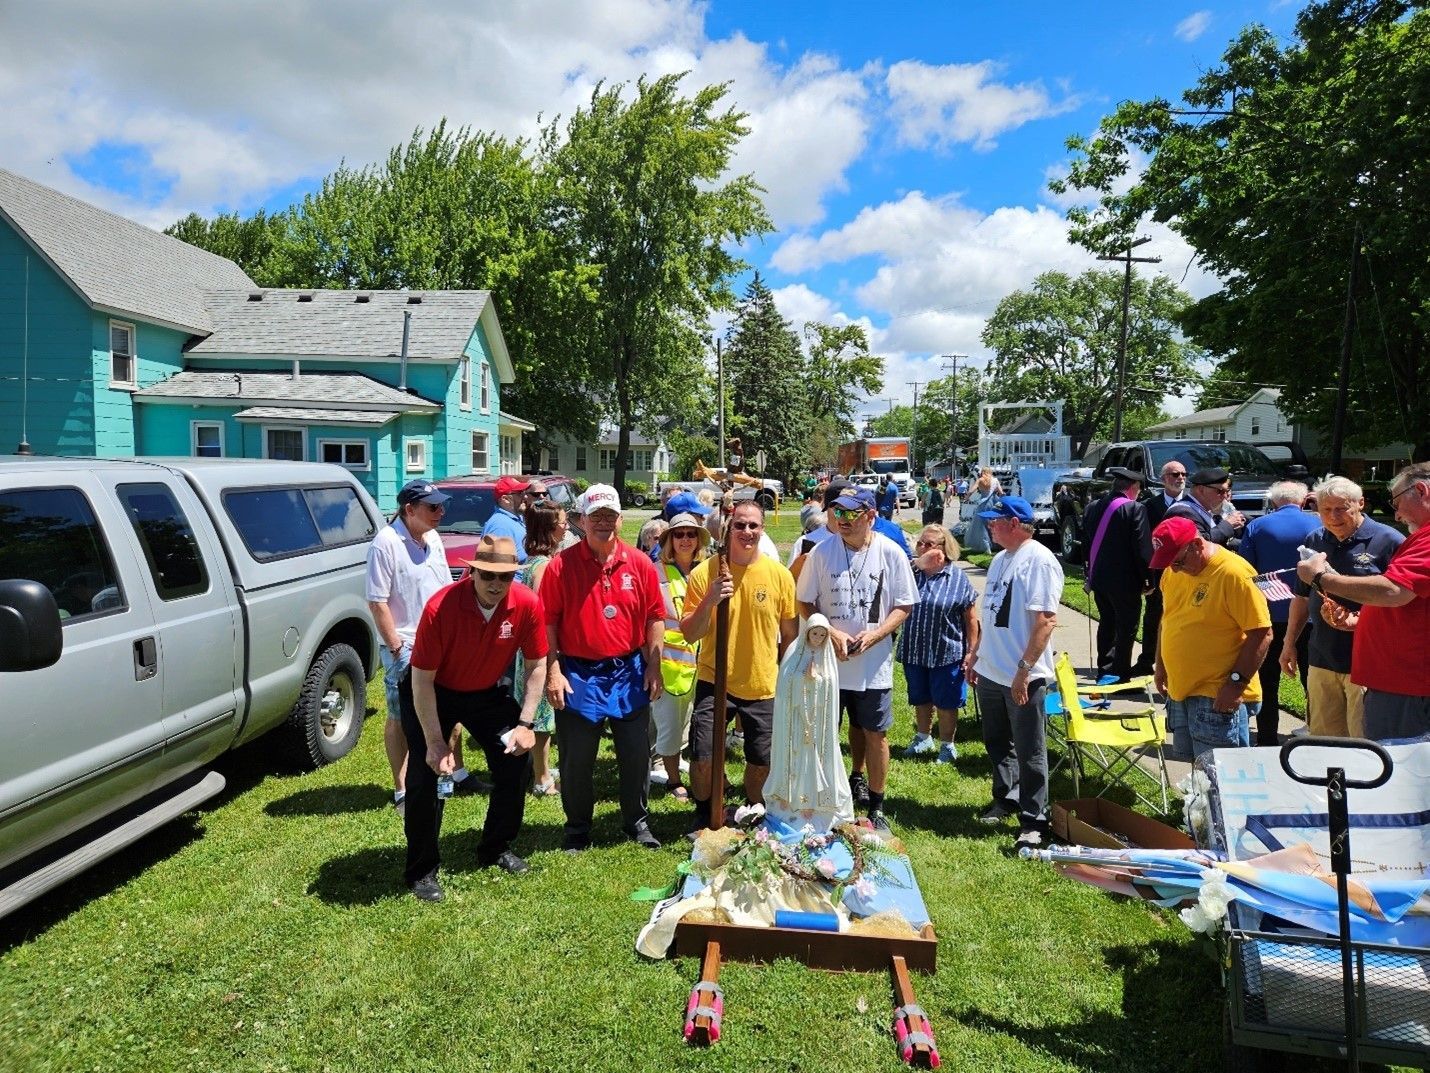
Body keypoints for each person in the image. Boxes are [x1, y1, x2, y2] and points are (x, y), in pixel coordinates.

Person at [401, 535, 547, 901]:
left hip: (484, 692)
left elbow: (536, 666)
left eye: (506, 577)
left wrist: (526, 724)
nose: (496, 585)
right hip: (433, 692)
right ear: (472, 572)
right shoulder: (441, 608)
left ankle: (495, 847)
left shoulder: (527, 604)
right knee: (425, 775)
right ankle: (422, 869)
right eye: (488, 576)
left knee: (515, 760)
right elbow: (421, 681)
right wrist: (435, 743)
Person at [540, 484, 666, 851]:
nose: (603, 523)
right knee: (577, 758)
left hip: (628, 669)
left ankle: (637, 823)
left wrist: (654, 666)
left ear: (620, 520)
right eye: (595, 516)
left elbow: (655, 618)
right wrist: (554, 670)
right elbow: (547, 622)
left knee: (636, 753)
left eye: (610, 516)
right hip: (578, 671)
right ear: (581, 521)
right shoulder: (561, 567)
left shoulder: (640, 563)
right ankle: (577, 828)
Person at [795, 486, 919, 832]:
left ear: (871, 516)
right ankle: (822, 798)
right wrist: (831, 632)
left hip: (872, 665)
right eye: (838, 512)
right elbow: (804, 601)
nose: (842, 519)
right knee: (822, 733)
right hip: (828, 663)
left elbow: (904, 604)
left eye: (851, 513)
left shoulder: (890, 553)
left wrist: (876, 634)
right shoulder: (821, 553)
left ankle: (876, 804)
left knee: (875, 733)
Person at [366, 478, 480, 818]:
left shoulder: (432, 538)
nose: (441, 511)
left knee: (450, 708)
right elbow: (377, 602)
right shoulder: (385, 543)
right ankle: (401, 787)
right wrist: (398, 649)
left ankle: (455, 773)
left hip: (441, 640)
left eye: (442, 505)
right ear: (409, 509)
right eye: (433, 507)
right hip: (405, 643)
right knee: (400, 716)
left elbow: (443, 588)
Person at [681, 501, 797, 828]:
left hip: (762, 684)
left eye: (753, 526)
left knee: (761, 762)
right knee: (703, 759)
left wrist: (781, 673)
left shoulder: (779, 576)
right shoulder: (706, 573)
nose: (747, 532)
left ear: (762, 529)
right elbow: (690, 632)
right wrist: (711, 599)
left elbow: (789, 633)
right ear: (728, 528)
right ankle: (704, 812)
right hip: (714, 679)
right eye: (740, 525)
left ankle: (753, 808)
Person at [1296, 463, 1430, 740]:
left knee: (1392, 769)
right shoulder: (1419, 539)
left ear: (1421, 490)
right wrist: (1361, 621)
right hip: (1393, 680)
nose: (1396, 513)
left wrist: (1320, 578)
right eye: (1325, 509)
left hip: (1406, 683)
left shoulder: (1412, 539)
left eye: (1396, 501)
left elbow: (1394, 590)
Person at [966, 496, 1062, 852]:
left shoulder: (1039, 561)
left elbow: (1046, 620)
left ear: (1014, 523)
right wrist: (976, 655)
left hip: (1023, 674)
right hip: (992, 670)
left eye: (995, 521)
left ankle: (1034, 818)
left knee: (1030, 750)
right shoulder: (1000, 560)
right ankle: (1006, 797)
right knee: (996, 742)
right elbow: (990, 615)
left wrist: (1024, 670)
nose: (990, 526)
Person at [1281, 476, 1403, 738]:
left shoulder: (1389, 541)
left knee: (1365, 745)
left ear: (1360, 504)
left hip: (1367, 665)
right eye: (1325, 509)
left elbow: (1401, 602)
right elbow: (1301, 598)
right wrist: (1289, 644)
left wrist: (1360, 618)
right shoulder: (1314, 539)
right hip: (1321, 659)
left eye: (1341, 508)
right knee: (1324, 742)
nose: (1333, 516)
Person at [1152, 517, 1271, 760]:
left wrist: (1235, 685)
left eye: (1178, 561)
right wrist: (1161, 666)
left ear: (1196, 544)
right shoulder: (1174, 571)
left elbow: (1261, 633)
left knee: (1225, 778)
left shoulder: (1234, 573)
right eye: (1169, 563)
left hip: (1218, 694)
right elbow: (1167, 620)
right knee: (1197, 773)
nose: (1174, 568)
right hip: (1181, 689)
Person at [1237, 480, 1318, 745]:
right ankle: (1317, 731)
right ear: (1304, 500)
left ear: (1273, 502)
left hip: (1269, 613)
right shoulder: (1318, 525)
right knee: (1313, 678)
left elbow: (1247, 570)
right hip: (1311, 614)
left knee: (1268, 678)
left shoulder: (1257, 526)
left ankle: (1268, 736)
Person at [899, 524, 979, 763]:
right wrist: (919, 565)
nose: (922, 548)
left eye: (929, 544)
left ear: (944, 548)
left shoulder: (957, 577)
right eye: (920, 543)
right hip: (916, 648)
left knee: (946, 701)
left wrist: (971, 651)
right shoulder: (911, 572)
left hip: (947, 650)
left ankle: (947, 745)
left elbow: (971, 618)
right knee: (920, 697)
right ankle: (923, 737)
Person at [765, 613, 854, 831]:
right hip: (796, 723)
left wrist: (818, 680)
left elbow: (830, 688)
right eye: (814, 633)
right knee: (795, 759)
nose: (817, 638)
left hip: (817, 725)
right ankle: (788, 806)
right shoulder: (795, 653)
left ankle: (817, 810)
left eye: (822, 635)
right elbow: (785, 683)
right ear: (807, 633)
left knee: (817, 759)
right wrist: (802, 678)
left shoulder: (827, 657)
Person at [650, 512, 709, 801]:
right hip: (668, 665)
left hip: (704, 665)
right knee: (670, 728)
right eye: (679, 534)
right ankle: (673, 780)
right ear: (669, 540)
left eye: (691, 534)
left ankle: (692, 768)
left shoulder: (708, 570)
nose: (685, 539)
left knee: (694, 724)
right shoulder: (655, 573)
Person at [513, 500, 569, 797]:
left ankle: (532, 770)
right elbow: (542, 615)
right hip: (540, 650)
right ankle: (542, 777)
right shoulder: (545, 566)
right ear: (550, 528)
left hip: (527, 649)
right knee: (542, 716)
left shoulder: (531, 559)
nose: (566, 525)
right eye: (562, 521)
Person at [1080, 467, 1152, 683]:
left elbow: (1086, 543)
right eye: (1138, 489)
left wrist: (1088, 572)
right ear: (1133, 488)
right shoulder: (1134, 508)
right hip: (1126, 582)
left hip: (1099, 578)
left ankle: (1105, 669)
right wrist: (1148, 579)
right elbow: (1142, 550)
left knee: (1107, 623)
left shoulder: (1093, 507)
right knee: (1127, 627)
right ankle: (1120, 675)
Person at [1136, 460, 1187, 676]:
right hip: (1158, 573)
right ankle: (1146, 661)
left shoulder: (1192, 504)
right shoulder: (1149, 506)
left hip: (1186, 571)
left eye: (1184, 474)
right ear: (1164, 478)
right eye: (1175, 474)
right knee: (1154, 616)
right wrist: (1147, 577)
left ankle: (1178, 662)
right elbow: (1144, 543)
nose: (1180, 478)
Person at [1167, 467, 1245, 545]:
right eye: (1220, 491)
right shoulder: (1182, 512)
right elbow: (1199, 544)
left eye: (1226, 491)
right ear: (1201, 490)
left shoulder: (1199, 510)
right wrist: (1228, 524)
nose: (1225, 496)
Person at [482, 475, 531, 563]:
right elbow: (499, 567)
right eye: (520, 493)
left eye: (525, 492)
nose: (525, 497)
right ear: (505, 499)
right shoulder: (500, 526)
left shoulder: (516, 518)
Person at [962, 468, 1002, 554]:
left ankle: (986, 547)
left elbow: (972, 490)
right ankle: (996, 544)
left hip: (984, 503)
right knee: (993, 523)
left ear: (982, 472)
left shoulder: (980, 480)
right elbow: (1001, 492)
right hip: (994, 503)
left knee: (982, 525)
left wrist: (966, 498)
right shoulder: (995, 480)